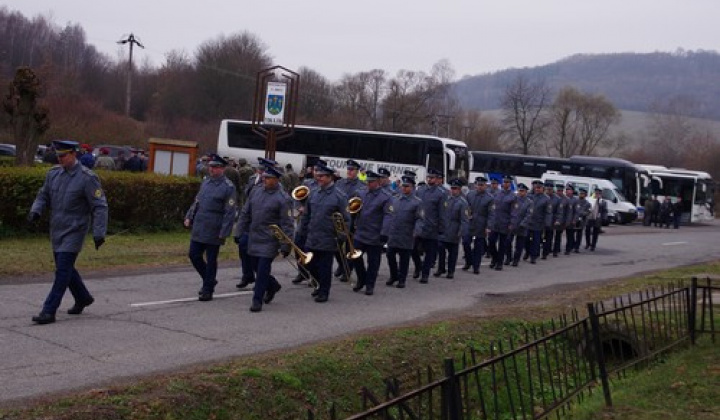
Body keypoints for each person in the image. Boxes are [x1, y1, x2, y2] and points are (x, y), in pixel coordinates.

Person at [27, 140, 108, 325]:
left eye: (63, 155)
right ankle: (83, 297)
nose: (60, 159)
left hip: (75, 230)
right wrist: (36, 210)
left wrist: (99, 232)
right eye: (58, 156)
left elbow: (100, 206)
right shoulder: (53, 174)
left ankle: (49, 311)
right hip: (57, 229)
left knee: (62, 270)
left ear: (74, 154)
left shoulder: (87, 178)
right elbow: (43, 194)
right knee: (66, 268)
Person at [236, 166, 293, 312]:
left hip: (270, 240)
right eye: (264, 177)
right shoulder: (256, 192)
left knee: (262, 270)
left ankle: (257, 300)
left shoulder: (283, 199)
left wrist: (286, 245)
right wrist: (239, 231)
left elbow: (287, 223)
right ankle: (272, 285)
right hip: (254, 236)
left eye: (268, 178)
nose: (264, 179)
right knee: (255, 267)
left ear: (276, 180)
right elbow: (245, 213)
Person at [184, 154, 237, 301]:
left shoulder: (228, 187)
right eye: (211, 167)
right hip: (200, 225)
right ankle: (209, 279)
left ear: (222, 169)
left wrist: (225, 231)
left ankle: (207, 289)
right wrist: (189, 216)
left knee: (211, 259)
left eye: (215, 167)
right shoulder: (206, 182)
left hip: (215, 227)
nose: (211, 170)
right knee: (193, 255)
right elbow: (197, 201)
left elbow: (230, 211)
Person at [297, 163, 349, 303]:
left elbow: (346, 219)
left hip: (328, 237)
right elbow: (307, 214)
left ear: (329, 177)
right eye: (317, 175)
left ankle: (324, 291)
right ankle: (318, 284)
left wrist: (341, 236)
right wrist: (302, 230)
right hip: (312, 236)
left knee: (325, 267)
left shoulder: (339, 196)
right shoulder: (313, 193)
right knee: (309, 264)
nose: (318, 178)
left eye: (321, 176)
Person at [350, 170, 393, 295]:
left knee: (373, 262)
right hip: (360, 232)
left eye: (371, 182)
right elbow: (354, 210)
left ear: (378, 182)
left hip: (375, 234)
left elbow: (388, 215)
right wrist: (351, 224)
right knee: (355, 258)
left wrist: (385, 233)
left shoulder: (385, 197)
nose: (368, 184)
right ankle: (361, 279)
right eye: (367, 181)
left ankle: (370, 284)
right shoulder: (361, 193)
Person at [385, 176, 423, 288]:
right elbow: (390, 215)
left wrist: (416, 231)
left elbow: (420, 219)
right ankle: (393, 275)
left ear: (412, 187)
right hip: (394, 233)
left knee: (404, 259)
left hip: (407, 233)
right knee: (389, 255)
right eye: (403, 186)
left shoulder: (417, 202)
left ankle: (402, 279)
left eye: (407, 186)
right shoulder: (395, 199)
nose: (404, 188)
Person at [334, 159, 366, 282]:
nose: (349, 172)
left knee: (349, 247)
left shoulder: (361, 186)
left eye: (352, 170)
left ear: (357, 171)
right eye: (348, 169)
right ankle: (342, 265)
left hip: (352, 220)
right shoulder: (340, 183)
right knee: (335, 246)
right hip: (338, 219)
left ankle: (347, 271)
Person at [415, 168, 447, 283]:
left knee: (429, 252)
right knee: (414, 249)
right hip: (419, 226)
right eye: (428, 177)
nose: (430, 179)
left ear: (437, 179)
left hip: (431, 227)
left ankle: (425, 274)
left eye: (432, 178)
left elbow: (442, 212)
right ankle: (418, 266)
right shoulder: (420, 190)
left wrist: (441, 228)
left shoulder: (441, 194)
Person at [435, 178, 469, 278]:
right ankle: (441, 268)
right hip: (444, 229)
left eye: (455, 189)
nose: (453, 190)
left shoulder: (463, 203)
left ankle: (451, 271)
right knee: (441, 249)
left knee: (452, 253)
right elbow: (442, 214)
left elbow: (464, 220)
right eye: (452, 188)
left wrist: (462, 231)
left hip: (454, 230)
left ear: (460, 190)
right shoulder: (447, 200)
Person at [464, 176, 493, 274]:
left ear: (485, 186)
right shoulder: (470, 194)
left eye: (482, 185)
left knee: (478, 246)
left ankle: (476, 266)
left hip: (481, 224)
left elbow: (491, 214)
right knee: (465, 242)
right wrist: (468, 215)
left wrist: (488, 226)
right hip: (470, 223)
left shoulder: (489, 198)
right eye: (478, 185)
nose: (479, 187)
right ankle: (468, 261)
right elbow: (466, 207)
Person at [487, 175, 515, 270]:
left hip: (505, 223)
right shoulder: (498, 194)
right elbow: (492, 208)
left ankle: (500, 263)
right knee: (491, 242)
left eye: (507, 182)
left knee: (502, 244)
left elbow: (514, 211)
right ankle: (494, 258)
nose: (505, 184)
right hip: (495, 222)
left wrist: (511, 223)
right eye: (504, 182)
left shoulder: (513, 196)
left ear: (510, 184)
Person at [526, 180, 553, 264]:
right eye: (536, 188)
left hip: (538, 223)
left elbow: (548, 212)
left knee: (536, 240)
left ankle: (533, 256)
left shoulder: (546, 199)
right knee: (526, 240)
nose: (537, 189)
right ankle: (528, 251)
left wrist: (547, 223)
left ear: (543, 189)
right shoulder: (530, 196)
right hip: (528, 221)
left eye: (539, 188)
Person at [506, 183, 532, 267]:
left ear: (526, 192)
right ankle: (508, 258)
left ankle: (516, 260)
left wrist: (523, 224)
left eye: (522, 191)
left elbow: (529, 215)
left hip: (522, 226)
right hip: (512, 224)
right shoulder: (514, 199)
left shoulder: (529, 202)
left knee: (519, 245)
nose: (520, 192)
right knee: (508, 242)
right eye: (519, 191)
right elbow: (509, 210)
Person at [573, 188, 592, 253]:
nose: (581, 195)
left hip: (582, 221)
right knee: (571, 233)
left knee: (579, 235)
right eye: (580, 193)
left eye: (582, 194)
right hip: (574, 220)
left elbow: (589, 212)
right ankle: (573, 245)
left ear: (585, 195)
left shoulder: (587, 203)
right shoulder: (575, 201)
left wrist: (583, 213)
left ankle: (577, 247)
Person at [563, 185, 578, 255]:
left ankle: (568, 249)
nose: (567, 191)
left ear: (572, 191)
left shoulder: (575, 200)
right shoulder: (563, 198)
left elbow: (576, 211)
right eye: (567, 190)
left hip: (570, 221)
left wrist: (574, 219)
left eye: (569, 190)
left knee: (569, 236)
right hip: (562, 220)